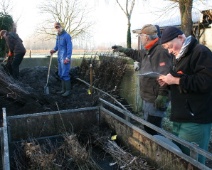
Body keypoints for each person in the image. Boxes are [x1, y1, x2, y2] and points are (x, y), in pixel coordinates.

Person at [158, 26, 212, 164]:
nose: (169, 51)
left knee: (193, 161)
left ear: (180, 38)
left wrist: (176, 80)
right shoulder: (179, 56)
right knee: (181, 157)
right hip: (181, 116)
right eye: (166, 48)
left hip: (195, 118)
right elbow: (184, 80)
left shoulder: (200, 52)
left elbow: (206, 82)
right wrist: (168, 81)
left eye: (170, 46)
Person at [112, 24, 172, 135]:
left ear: (146, 37)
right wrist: (123, 49)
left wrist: (162, 94)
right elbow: (136, 54)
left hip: (155, 98)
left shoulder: (160, 51)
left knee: (153, 129)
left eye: (141, 36)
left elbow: (166, 74)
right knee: (148, 125)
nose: (140, 38)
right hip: (148, 96)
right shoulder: (148, 49)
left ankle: (160, 149)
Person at [50, 22, 72, 97]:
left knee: (65, 74)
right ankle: (63, 90)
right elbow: (56, 46)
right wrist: (53, 50)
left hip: (65, 58)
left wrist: (68, 58)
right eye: (56, 28)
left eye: (58, 27)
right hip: (59, 57)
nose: (57, 29)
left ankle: (68, 91)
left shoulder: (67, 36)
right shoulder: (58, 36)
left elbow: (69, 48)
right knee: (60, 73)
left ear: (61, 27)